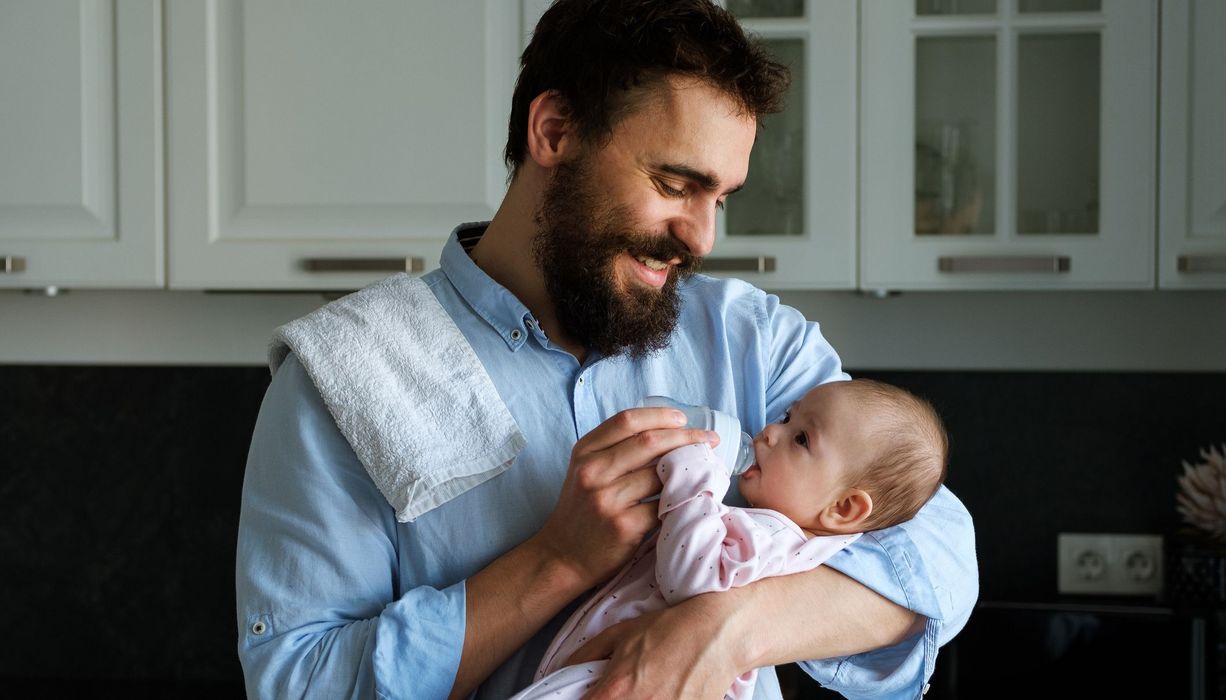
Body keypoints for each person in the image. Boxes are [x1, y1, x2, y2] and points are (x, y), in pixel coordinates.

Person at [235, 1, 978, 698]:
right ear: (554, 131)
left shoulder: (754, 340)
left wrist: (723, 629)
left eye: (719, 199)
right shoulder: (342, 377)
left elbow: (938, 548)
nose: (702, 237)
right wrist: (552, 562)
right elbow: (300, 681)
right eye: (674, 182)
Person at [512, 379, 949, 699]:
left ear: (844, 509)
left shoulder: (776, 538)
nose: (769, 433)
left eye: (800, 439)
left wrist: (694, 470)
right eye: (786, 416)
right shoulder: (774, 533)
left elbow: (692, 576)